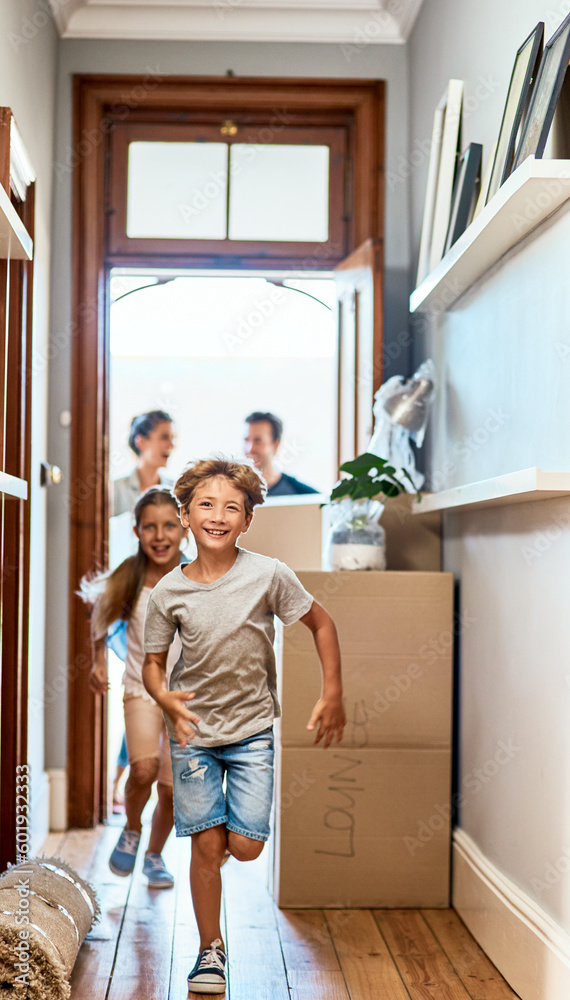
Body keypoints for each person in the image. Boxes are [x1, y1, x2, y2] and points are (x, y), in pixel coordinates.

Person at [142, 457, 345, 994]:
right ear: (185, 515)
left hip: (253, 731)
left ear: (248, 520)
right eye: (206, 505)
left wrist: (333, 693)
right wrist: (164, 698)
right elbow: (153, 664)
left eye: (232, 507)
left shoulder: (268, 574)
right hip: (193, 738)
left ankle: (217, 832)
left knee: (247, 845)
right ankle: (210, 951)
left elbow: (321, 622)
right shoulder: (169, 592)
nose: (218, 515)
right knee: (206, 849)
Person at [85, 487, 188, 889]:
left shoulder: (195, 576)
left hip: (184, 698)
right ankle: (131, 828)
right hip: (140, 690)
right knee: (143, 769)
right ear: (137, 531)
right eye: (150, 527)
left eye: (168, 526)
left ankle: (155, 855)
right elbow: (99, 612)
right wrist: (96, 660)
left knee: (171, 788)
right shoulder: (130, 575)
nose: (160, 536)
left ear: (184, 529)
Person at [112, 410, 175, 517]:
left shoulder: (175, 491)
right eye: (164, 437)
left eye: (172, 438)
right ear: (141, 442)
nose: (171, 445)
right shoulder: (115, 490)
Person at [244, 411, 319, 496]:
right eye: (246, 440)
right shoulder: (232, 491)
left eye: (258, 441)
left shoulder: (300, 493)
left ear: (275, 445)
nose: (249, 449)